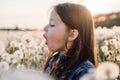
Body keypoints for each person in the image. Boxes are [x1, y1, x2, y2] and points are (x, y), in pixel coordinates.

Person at [43, 2, 97, 80]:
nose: (45, 28)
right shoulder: (53, 61)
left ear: (72, 34)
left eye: (52, 24)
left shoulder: (85, 72)